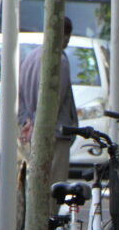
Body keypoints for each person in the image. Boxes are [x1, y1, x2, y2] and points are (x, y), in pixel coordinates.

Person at [18, 16, 76, 188]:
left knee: (35, 183)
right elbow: (55, 101)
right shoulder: (60, 61)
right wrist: (37, 122)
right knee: (54, 187)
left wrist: (26, 122)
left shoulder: (30, 57)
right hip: (54, 133)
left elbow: (20, 96)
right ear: (65, 36)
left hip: (30, 131)